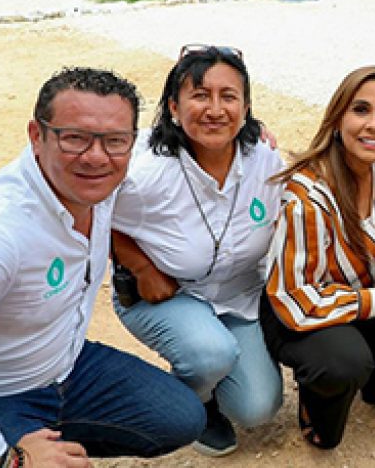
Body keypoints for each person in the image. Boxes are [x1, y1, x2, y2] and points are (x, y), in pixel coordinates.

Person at [0, 67, 205, 467]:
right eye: (74, 137)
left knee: (179, 417)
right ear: (36, 136)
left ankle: (43, 433)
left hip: (63, 364)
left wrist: (251, 137)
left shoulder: (100, 175)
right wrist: (7, 461)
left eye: (114, 141)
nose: (96, 156)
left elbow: (187, 136)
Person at [110, 45, 284, 457]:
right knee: (210, 354)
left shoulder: (263, 159)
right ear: (174, 105)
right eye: (200, 95)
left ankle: (206, 371)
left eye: (229, 96)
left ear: (245, 107)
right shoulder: (145, 171)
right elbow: (93, 215)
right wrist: (139, 265)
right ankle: (193, 403)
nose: (215, 109)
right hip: (166, 294)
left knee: (260, 407)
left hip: (237, 296)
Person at [259, 65, 375, 450]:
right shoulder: (307, 197)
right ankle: (317, 404)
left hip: (368, 302)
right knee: (343, 362)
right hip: (304, 311)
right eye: (361, 110)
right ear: (338, 116)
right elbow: (294, 299)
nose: (374, 125)